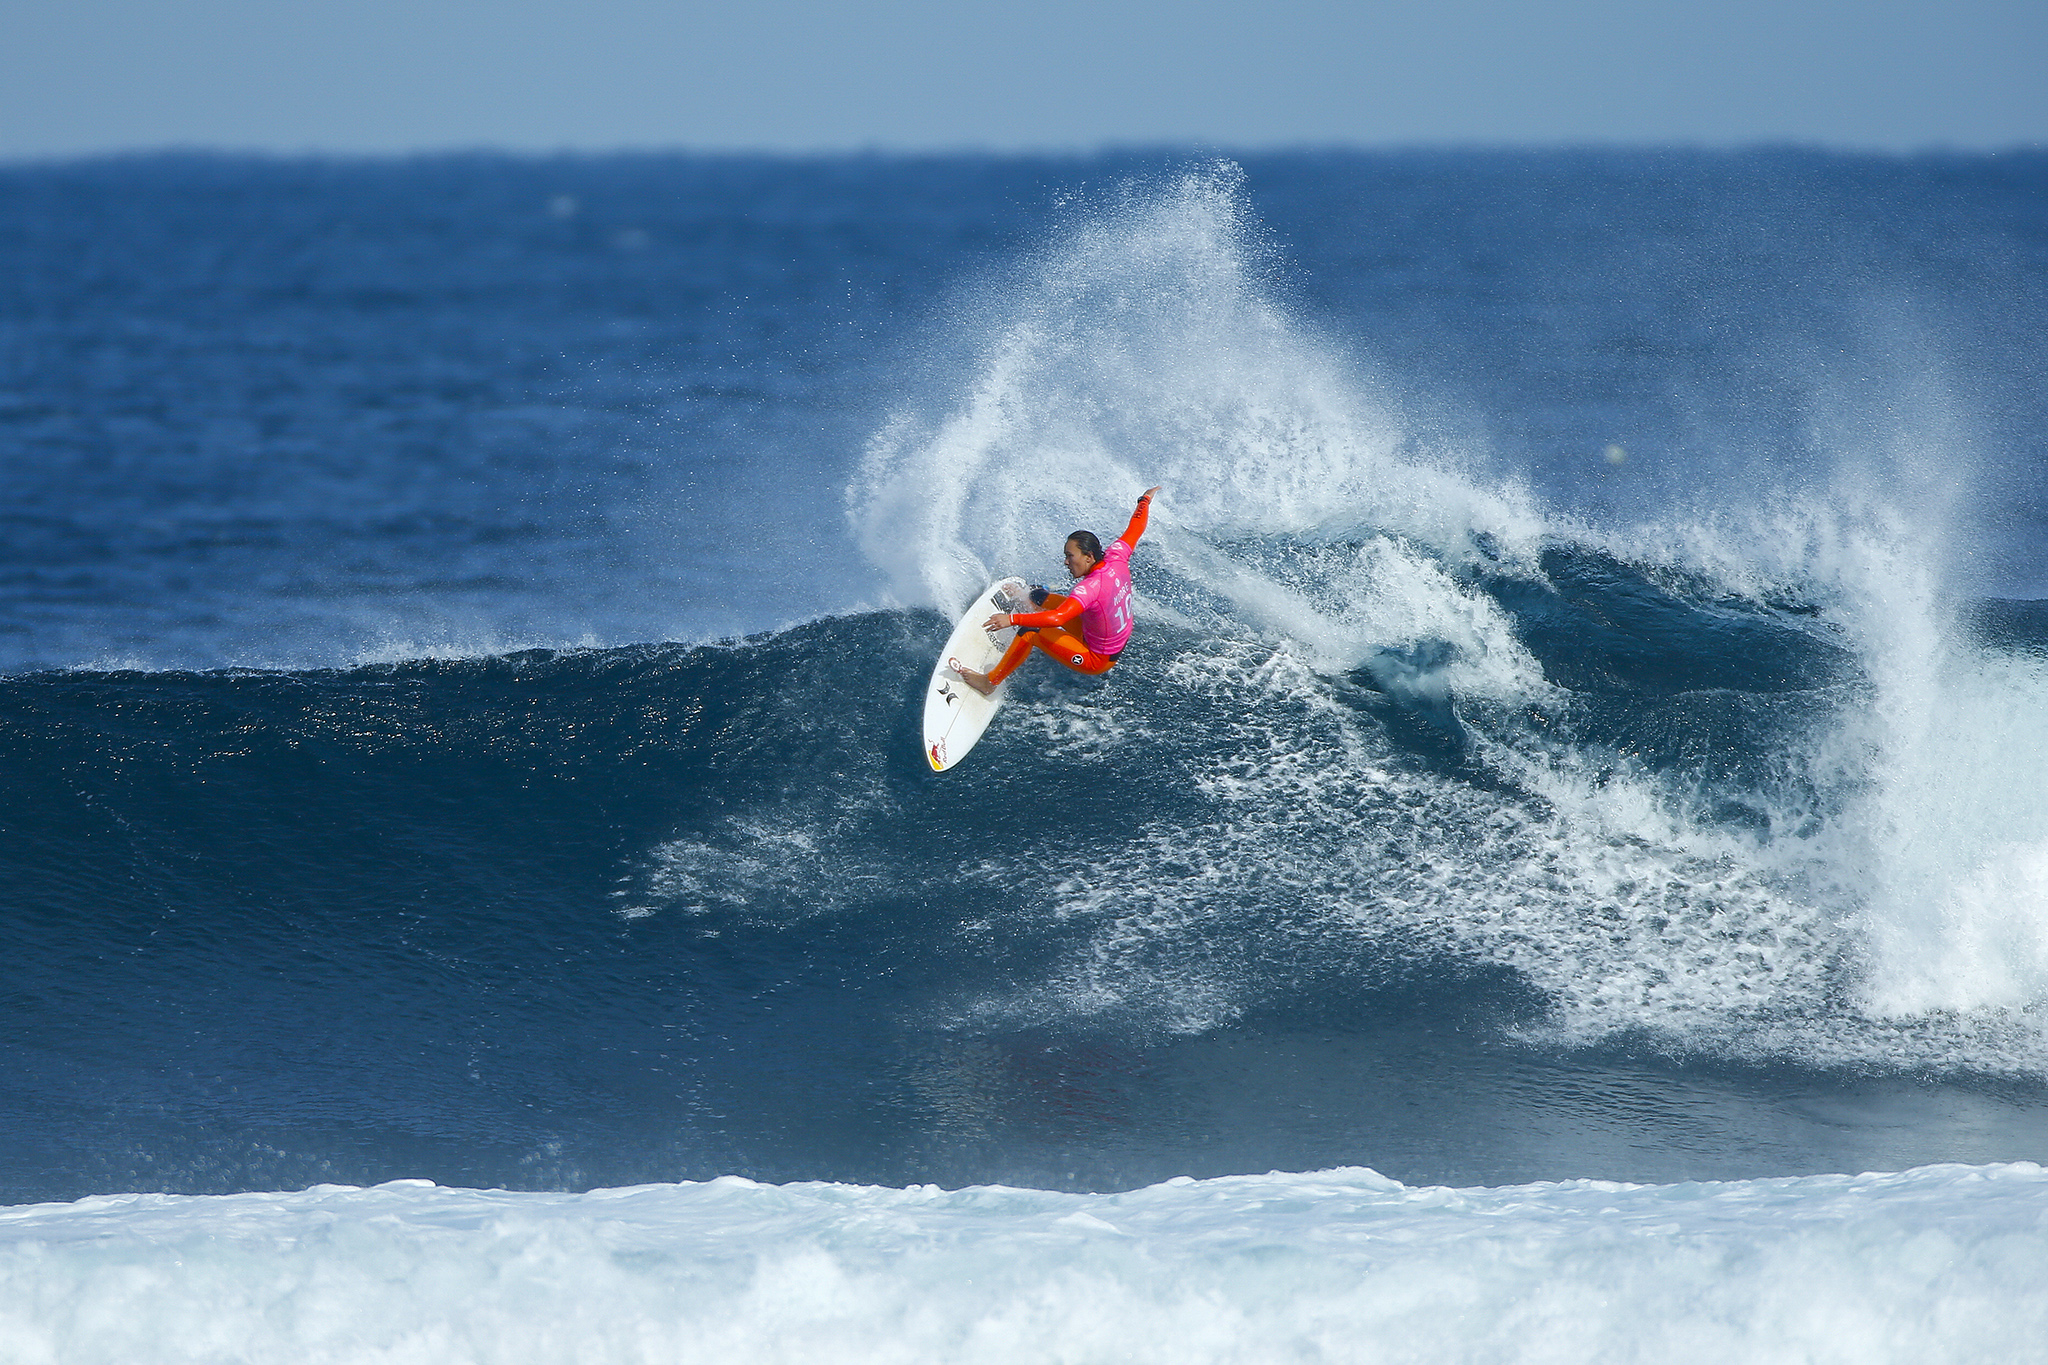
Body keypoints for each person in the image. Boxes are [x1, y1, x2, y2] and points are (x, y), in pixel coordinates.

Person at [951, 486, 1163, 697]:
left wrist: (1012, 619)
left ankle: (989, 682)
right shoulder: (1116, 556)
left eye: (1070, 556)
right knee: (1037, 594)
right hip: (1101, 632)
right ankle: (1030, 603)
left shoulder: (1090, 588)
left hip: (1097, 657)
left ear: (1089, 556)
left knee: (1029, 631)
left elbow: (1058, 617)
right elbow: (1135, 528)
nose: (1066, 562)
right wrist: (1144, 500)